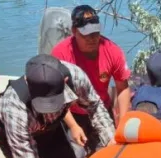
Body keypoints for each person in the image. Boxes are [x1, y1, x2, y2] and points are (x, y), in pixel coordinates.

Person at [51, 4, 133, 147]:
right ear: (74, 31)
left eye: (95, 33)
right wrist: (73, 126)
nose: (92, 38)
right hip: (71, 112)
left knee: (111, 150)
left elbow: (122, 88)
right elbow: (56, 95)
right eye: (86, 34)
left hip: (101, 108)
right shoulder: (61, 54)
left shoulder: (112, 51)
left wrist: (123, 120)